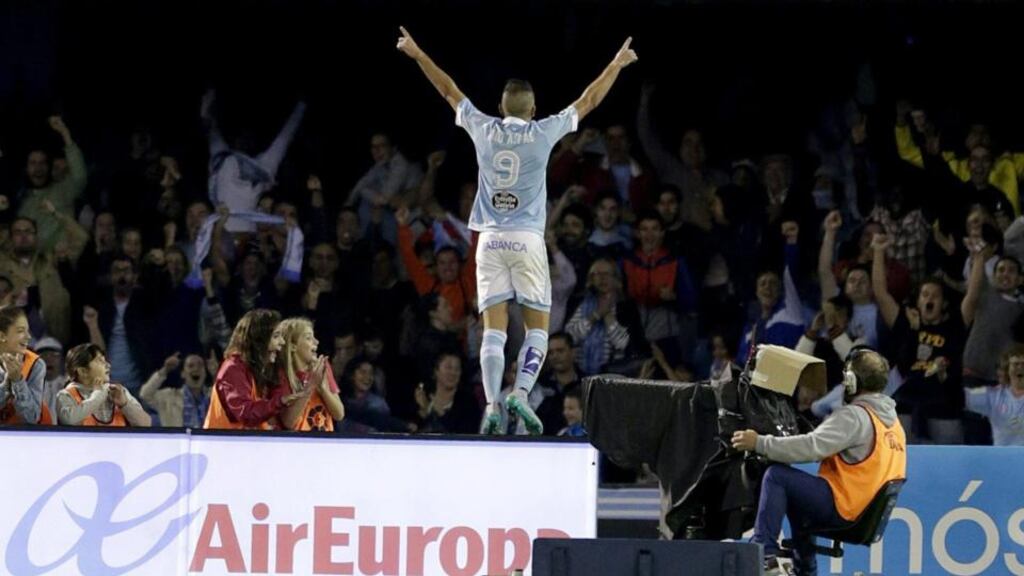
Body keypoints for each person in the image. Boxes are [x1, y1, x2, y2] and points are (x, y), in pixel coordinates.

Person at [397, 26, 638, 435]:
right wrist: (616, 64)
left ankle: (492, 403)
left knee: (493, 329)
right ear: (533, 109)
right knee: (537, 330)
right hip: (527, 239)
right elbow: (590, 99)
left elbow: (448, 90)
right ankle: (521, 394)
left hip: (489, 240)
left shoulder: (484, 128)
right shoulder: (544, 132)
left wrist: (419, 54)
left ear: (501, 106)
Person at [731, 349, 906, 576]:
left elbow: (811, 447)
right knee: (801, 496)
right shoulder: (894, 424)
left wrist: (760, 443)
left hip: (844, 507)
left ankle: (764, 556)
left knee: (778, 476)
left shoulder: (854, 416)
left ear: (851, 381)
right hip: (862, 514)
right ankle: (805, 570)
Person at [203, 309, 303, 430]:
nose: (282, 342)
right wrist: (279, 402)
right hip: (222, 445)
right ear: (259, 340)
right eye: (276, 336)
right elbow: (246, 414)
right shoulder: (233, 369)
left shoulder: (261, 370)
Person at [57, 343, 151, 427]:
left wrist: (125, 405)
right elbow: (69, 420)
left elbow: (146, 424)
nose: (108, 365)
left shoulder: (118, 392)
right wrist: (98, 395)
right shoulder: (66, 395)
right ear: (83, 371)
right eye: (100, 361)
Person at [276, 318, 345, 431]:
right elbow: (288, 422)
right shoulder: (282, 374)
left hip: (324, 442)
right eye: (308, 338)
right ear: (293, 346)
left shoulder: (322, 367)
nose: (316, 342)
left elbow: (339, 414)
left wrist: (323, 389)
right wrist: (311, 385)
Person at [0, 307, 52, 425]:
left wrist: (18, 381)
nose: (28, 336)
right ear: (2, 336)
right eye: (20, 331)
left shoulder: (36, 364)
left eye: (27, 330)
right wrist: (7, 385)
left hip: (25, 438)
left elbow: (31, 418)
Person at [139, 352, 212, 428]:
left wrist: (216, 374)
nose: (196, 369)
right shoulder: (169, 397)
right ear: (183, 373)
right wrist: (165, 370)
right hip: (177, 439)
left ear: (205, 372)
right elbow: (144, 394)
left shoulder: (214, 396)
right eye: (191, 366)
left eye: (200, 365)